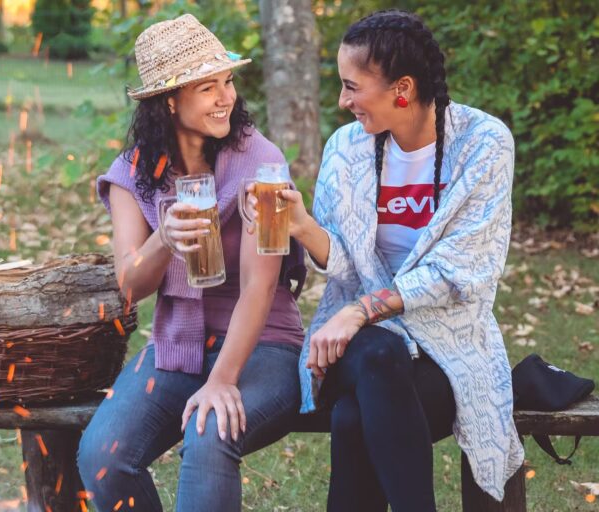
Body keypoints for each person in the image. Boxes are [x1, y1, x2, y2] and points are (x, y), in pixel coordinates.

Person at [252, 9, 525, 511]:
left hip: (449, 344)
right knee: (379, 353)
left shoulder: (482, 143)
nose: (342, 101)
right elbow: (346, 265)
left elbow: (461, 271)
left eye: (352, 87)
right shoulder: (346, 148)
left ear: (402, 88)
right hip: (357, 346)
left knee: (353, 419)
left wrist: (359, 311)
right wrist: (304, 227)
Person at [76, 14, 306, 512]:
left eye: (227, 81)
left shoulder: (259, 160)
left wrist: (222, 380)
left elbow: (259, 287)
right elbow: (130, 285)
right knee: (102, 454)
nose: (226, 98)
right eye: (207, 87)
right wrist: (164, 239)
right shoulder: (133, 174)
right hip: (178, 347)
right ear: (169, 100)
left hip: (264, 346)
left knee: (210, 430)